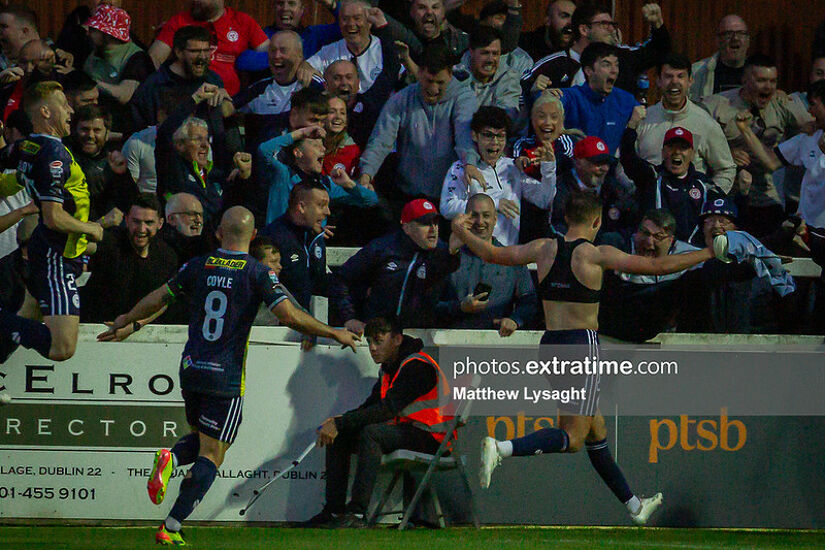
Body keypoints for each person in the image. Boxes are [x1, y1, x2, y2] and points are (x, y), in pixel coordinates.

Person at [451, 191, 723, 523]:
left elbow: (490, 253)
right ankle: (502, 447)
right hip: (581, 347)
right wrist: (708, 252)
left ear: (566, 217)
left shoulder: (542, 248)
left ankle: (634, 506)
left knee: (595, 429)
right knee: (574, 437)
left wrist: (459, 228)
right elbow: (658, 265)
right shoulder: (596, 254)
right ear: (596, 221)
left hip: (550, 345)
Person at [96, 206, 359, 546]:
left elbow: (160, 297)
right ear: (252, 236)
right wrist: (332, 332)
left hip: (190, 369)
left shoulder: (198, 265)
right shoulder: (257, 272)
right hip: (225, 374)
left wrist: (128, 320)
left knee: (203, 440)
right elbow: (289, 315)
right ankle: (171, 507)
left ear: (219, 232)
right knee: (213, 453)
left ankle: (173, 489)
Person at [309, 316, 451, 527]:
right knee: (342, 434)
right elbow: (370, 407)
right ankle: (334, 512)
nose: (373, 348)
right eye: (369, 343)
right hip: (408, 431)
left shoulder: (418, 366)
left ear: (397, 340)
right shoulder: (390, 368)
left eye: (378, 341)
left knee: (371, 432)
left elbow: (386, 410)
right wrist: (339, 422)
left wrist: (341, 422)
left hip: (434, 436)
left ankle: (357, 514)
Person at [0, 82, 104, 363]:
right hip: (57, 252)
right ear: (46, 112)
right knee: (61, 348)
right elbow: (53, 217)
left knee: (26, 314)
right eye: (64, 105)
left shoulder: (25, 146)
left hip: (48, 249)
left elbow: (8, 164)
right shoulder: (53, 154)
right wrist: (91, 228)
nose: (71, 111)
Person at [701, 54, 812, 237]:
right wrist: (727, 152)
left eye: (773, 81)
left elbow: (812, 123)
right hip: (728, 197)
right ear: (744, 80)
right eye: (761, 80)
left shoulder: (781, 104)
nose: (768, 87)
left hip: (766, 197)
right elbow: (697, 147)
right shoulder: (717, 106)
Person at [358, 42, 479, 205]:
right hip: (409, 192)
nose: (434, 89)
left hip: (451, 196)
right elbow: (381, 139)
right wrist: (366, 174)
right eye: (429, 81)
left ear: (450, 75)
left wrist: (469, 162)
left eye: (440, 82)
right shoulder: (402, 99)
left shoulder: (464, 98)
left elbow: (464, 133)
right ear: (419, 72)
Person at [329, 198, 462, 332]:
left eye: (436, 223)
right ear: (406, 227)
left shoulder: (442, 252)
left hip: (419, 336)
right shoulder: (382, 249)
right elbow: (341, 279)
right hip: (378, 335)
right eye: (425, 223)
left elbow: (448, 266)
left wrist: (453, 253)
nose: (433, 229)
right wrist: (349, 317)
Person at [440, 106, 557, 246]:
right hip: (474, 254)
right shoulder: (460, 169)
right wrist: (493, 204)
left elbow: (544, 200)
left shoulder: (512, 167)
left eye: (501, 136)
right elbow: (447, 207)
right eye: (488, 135)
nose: (495, 142)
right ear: (474, 136)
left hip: (507, 255)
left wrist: (548, 168)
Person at [130, 25, 234, 167]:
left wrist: (225, 98)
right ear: (178, 52)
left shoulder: (213, 79)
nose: (202, 57)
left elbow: (225, 120)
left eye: (206, 51)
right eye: (195, 51)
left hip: (208, 165)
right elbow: (139, 132)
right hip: (165, 163)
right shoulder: (154, 86)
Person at [634, 53, 737, 193]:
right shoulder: (643, 119)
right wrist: (637, 191)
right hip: (650, 209)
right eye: (668, 76)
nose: (674, 82)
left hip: (691, 210)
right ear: (658, 80)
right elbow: (623, 163)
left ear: (690, 81)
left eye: (680, 76)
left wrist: (707, 199)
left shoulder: (706, 123)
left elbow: (726, 169)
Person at [621, 114, 730, 243]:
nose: (676, 152)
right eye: (671, 147)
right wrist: (631, 127)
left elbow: (729, 212)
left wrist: (744, 194)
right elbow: (628, 158)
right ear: (662, 152)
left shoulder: (704, 184)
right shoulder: (651, 177)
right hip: (657, 252)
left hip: (693, 253)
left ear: (692, 154)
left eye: (683, 147)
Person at [438, 194, 538, 332]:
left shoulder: (511, 258)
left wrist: (515, 319)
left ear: (495, 219)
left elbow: (529, 299)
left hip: (498, 344)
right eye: (474, 215)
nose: (480, 221)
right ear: (465, 218)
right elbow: (431, 306)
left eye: (486, 216)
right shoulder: (450, 256)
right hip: (453, 342)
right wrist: (460, 307)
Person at [80, 194, 178, 325]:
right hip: (95, 328)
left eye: (148, 222)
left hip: (138, 332)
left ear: (160, 224)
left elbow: (164, 301)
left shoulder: (166, 255)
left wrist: (135, 325)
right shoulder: (112, 241)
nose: (141, 229)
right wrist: (101, 223)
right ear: (126, 220)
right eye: (136, 221)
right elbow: (72, 243)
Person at [255, 123, 377, 225]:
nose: (323, 149)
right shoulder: (283, 174)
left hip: (310, 248)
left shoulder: (325, 183)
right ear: (298, 153)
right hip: (280, 245)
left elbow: (371, 201)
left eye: (323, 145)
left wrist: (349, 184)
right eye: (315, 145)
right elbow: (264, 150)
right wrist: (301, 133)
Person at [148, 0, 269, 96]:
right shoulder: (179, 22)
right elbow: (154, 58)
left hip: (229, 103)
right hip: (188, 101)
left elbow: (271, 52)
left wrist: (248, 60)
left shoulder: (243, 22)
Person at [83, 4, 154, 133]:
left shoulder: (137, 58)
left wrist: (90, 81)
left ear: (108, 34)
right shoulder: (94, 55)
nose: (88, 33)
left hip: (127, 130)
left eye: (93, 30)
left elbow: (124, 95)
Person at [259, 182, 329, 313]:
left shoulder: (315, 237)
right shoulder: (272, 237)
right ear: (301, 207)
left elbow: (319, 283)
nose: (327, 212)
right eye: (321, 205)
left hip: (309, 322)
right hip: (277, 326)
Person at [558, 42, 638, 155]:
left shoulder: (626, 100)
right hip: (576, 168)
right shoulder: (572, 97)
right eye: (607, 64)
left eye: (616, 65)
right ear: (589, 71)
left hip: (609, 169)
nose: (614, 70)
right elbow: (546, 103)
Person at [65, 104, 138, 222]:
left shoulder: (113, 162)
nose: (90, 136)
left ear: (107, 134)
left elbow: (132, 204)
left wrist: (122, 175)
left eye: (97, 130)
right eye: (85, 129)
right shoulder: (63, 157)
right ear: (74, 131)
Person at [553, 135, 636, 235]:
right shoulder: (561, 189)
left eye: (607, 163)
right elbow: (558, 224)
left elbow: (630, 219)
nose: (604, 168)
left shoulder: (613, 188)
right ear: (579, 162)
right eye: (598, 163)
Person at [306, 1, 388, 94]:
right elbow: (307, 68)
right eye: (345, 19)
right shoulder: (329, 52)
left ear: (369, 22)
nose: (351, 24)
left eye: (357, 18)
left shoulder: (383, 49)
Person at [453, 26, 521, 121]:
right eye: (485, 53)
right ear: (471, 52)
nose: (490, 59)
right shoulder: (456, 76)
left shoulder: (509, 77)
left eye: (495, 54)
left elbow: (506, 119)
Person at [690, 14, 750, 101]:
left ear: (748, 41)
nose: (735, 38)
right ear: (718, 41)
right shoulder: (697, 72)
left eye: (741, 33)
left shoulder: (759, 74)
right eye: (728, 34)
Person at [322, 95, 360, 177]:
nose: (338, 117)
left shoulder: (353, 152)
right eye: (332, 112)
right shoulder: (311, 145)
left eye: (342, 113)